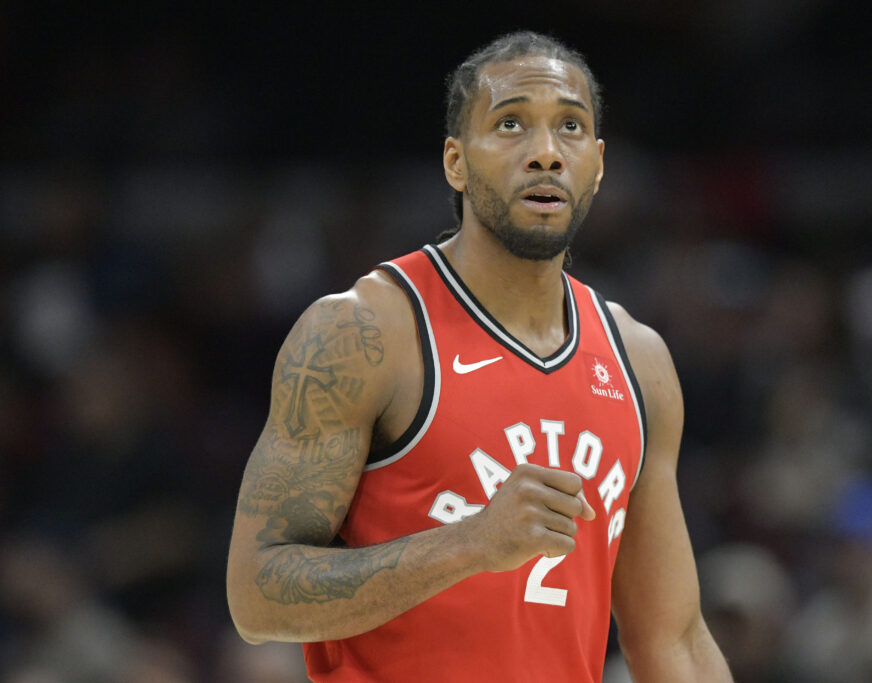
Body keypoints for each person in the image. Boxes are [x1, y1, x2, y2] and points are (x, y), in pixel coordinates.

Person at [226, 31, 733, 682]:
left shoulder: (639, 362)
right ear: (456, 162)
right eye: (511, 123)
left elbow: (675, 641)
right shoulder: (363, 333)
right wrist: (470, 543)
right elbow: (257, 595)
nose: (546, 152)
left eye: (571, 127)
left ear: (599, 164)